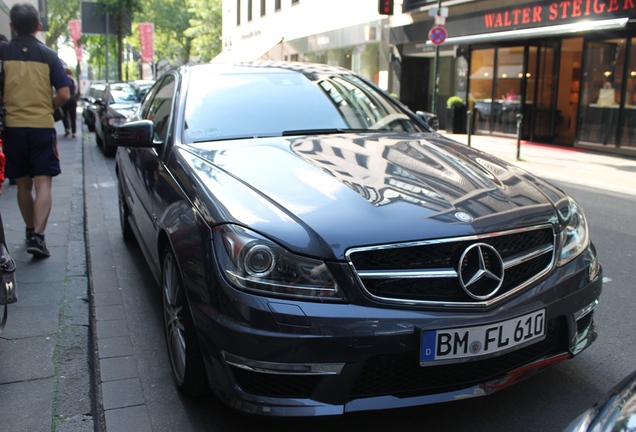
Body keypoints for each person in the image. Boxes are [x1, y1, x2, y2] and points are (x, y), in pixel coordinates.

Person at [0, 3, 70, 258]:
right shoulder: (48, 55)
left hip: (13, 128)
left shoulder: (4, 53)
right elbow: (64, 93)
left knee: (22, 184)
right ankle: (39, 237)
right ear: (39, 27)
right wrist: (45, 107)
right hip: (41, 127)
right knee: (43, 184)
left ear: (11, 26)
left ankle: (29, 230)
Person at [61, 67, 78, 138]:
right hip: (72, 99)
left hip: (64, 100)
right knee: (73, 117)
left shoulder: (62, 80)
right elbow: (76, 90)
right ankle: (74, 132)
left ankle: (67, 128)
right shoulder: (73, 80)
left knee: (63, 115)